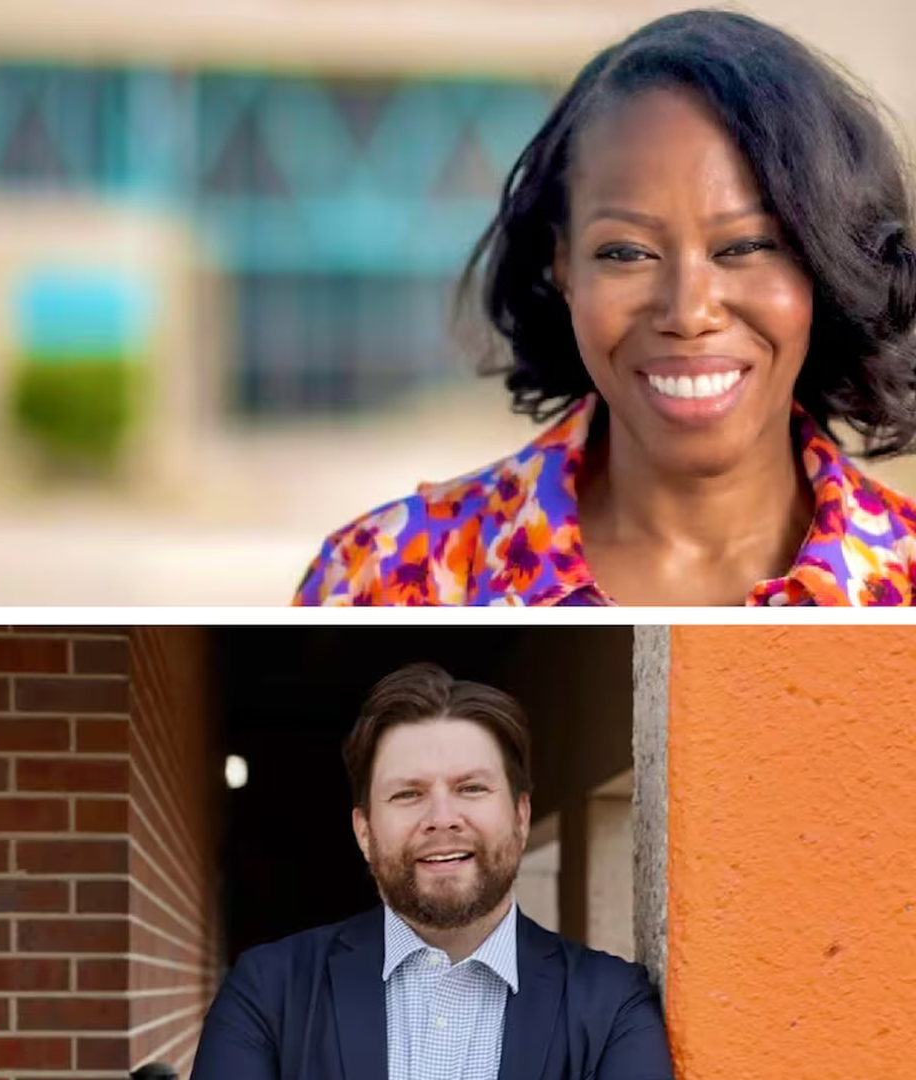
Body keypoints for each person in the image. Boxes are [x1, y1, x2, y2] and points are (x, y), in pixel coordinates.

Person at [296, 9, 916, 606]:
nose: (688, 310)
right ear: (563, 263)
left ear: (825, 262)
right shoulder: (379, 577)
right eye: (626, 252)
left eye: (747, 246)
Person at [188, 663, 672, 1080]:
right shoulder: (267, 992)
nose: (442, 817)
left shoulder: (613, 1007)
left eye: (471, 788)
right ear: (364, 832)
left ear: (522, 816)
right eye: (407, 794)